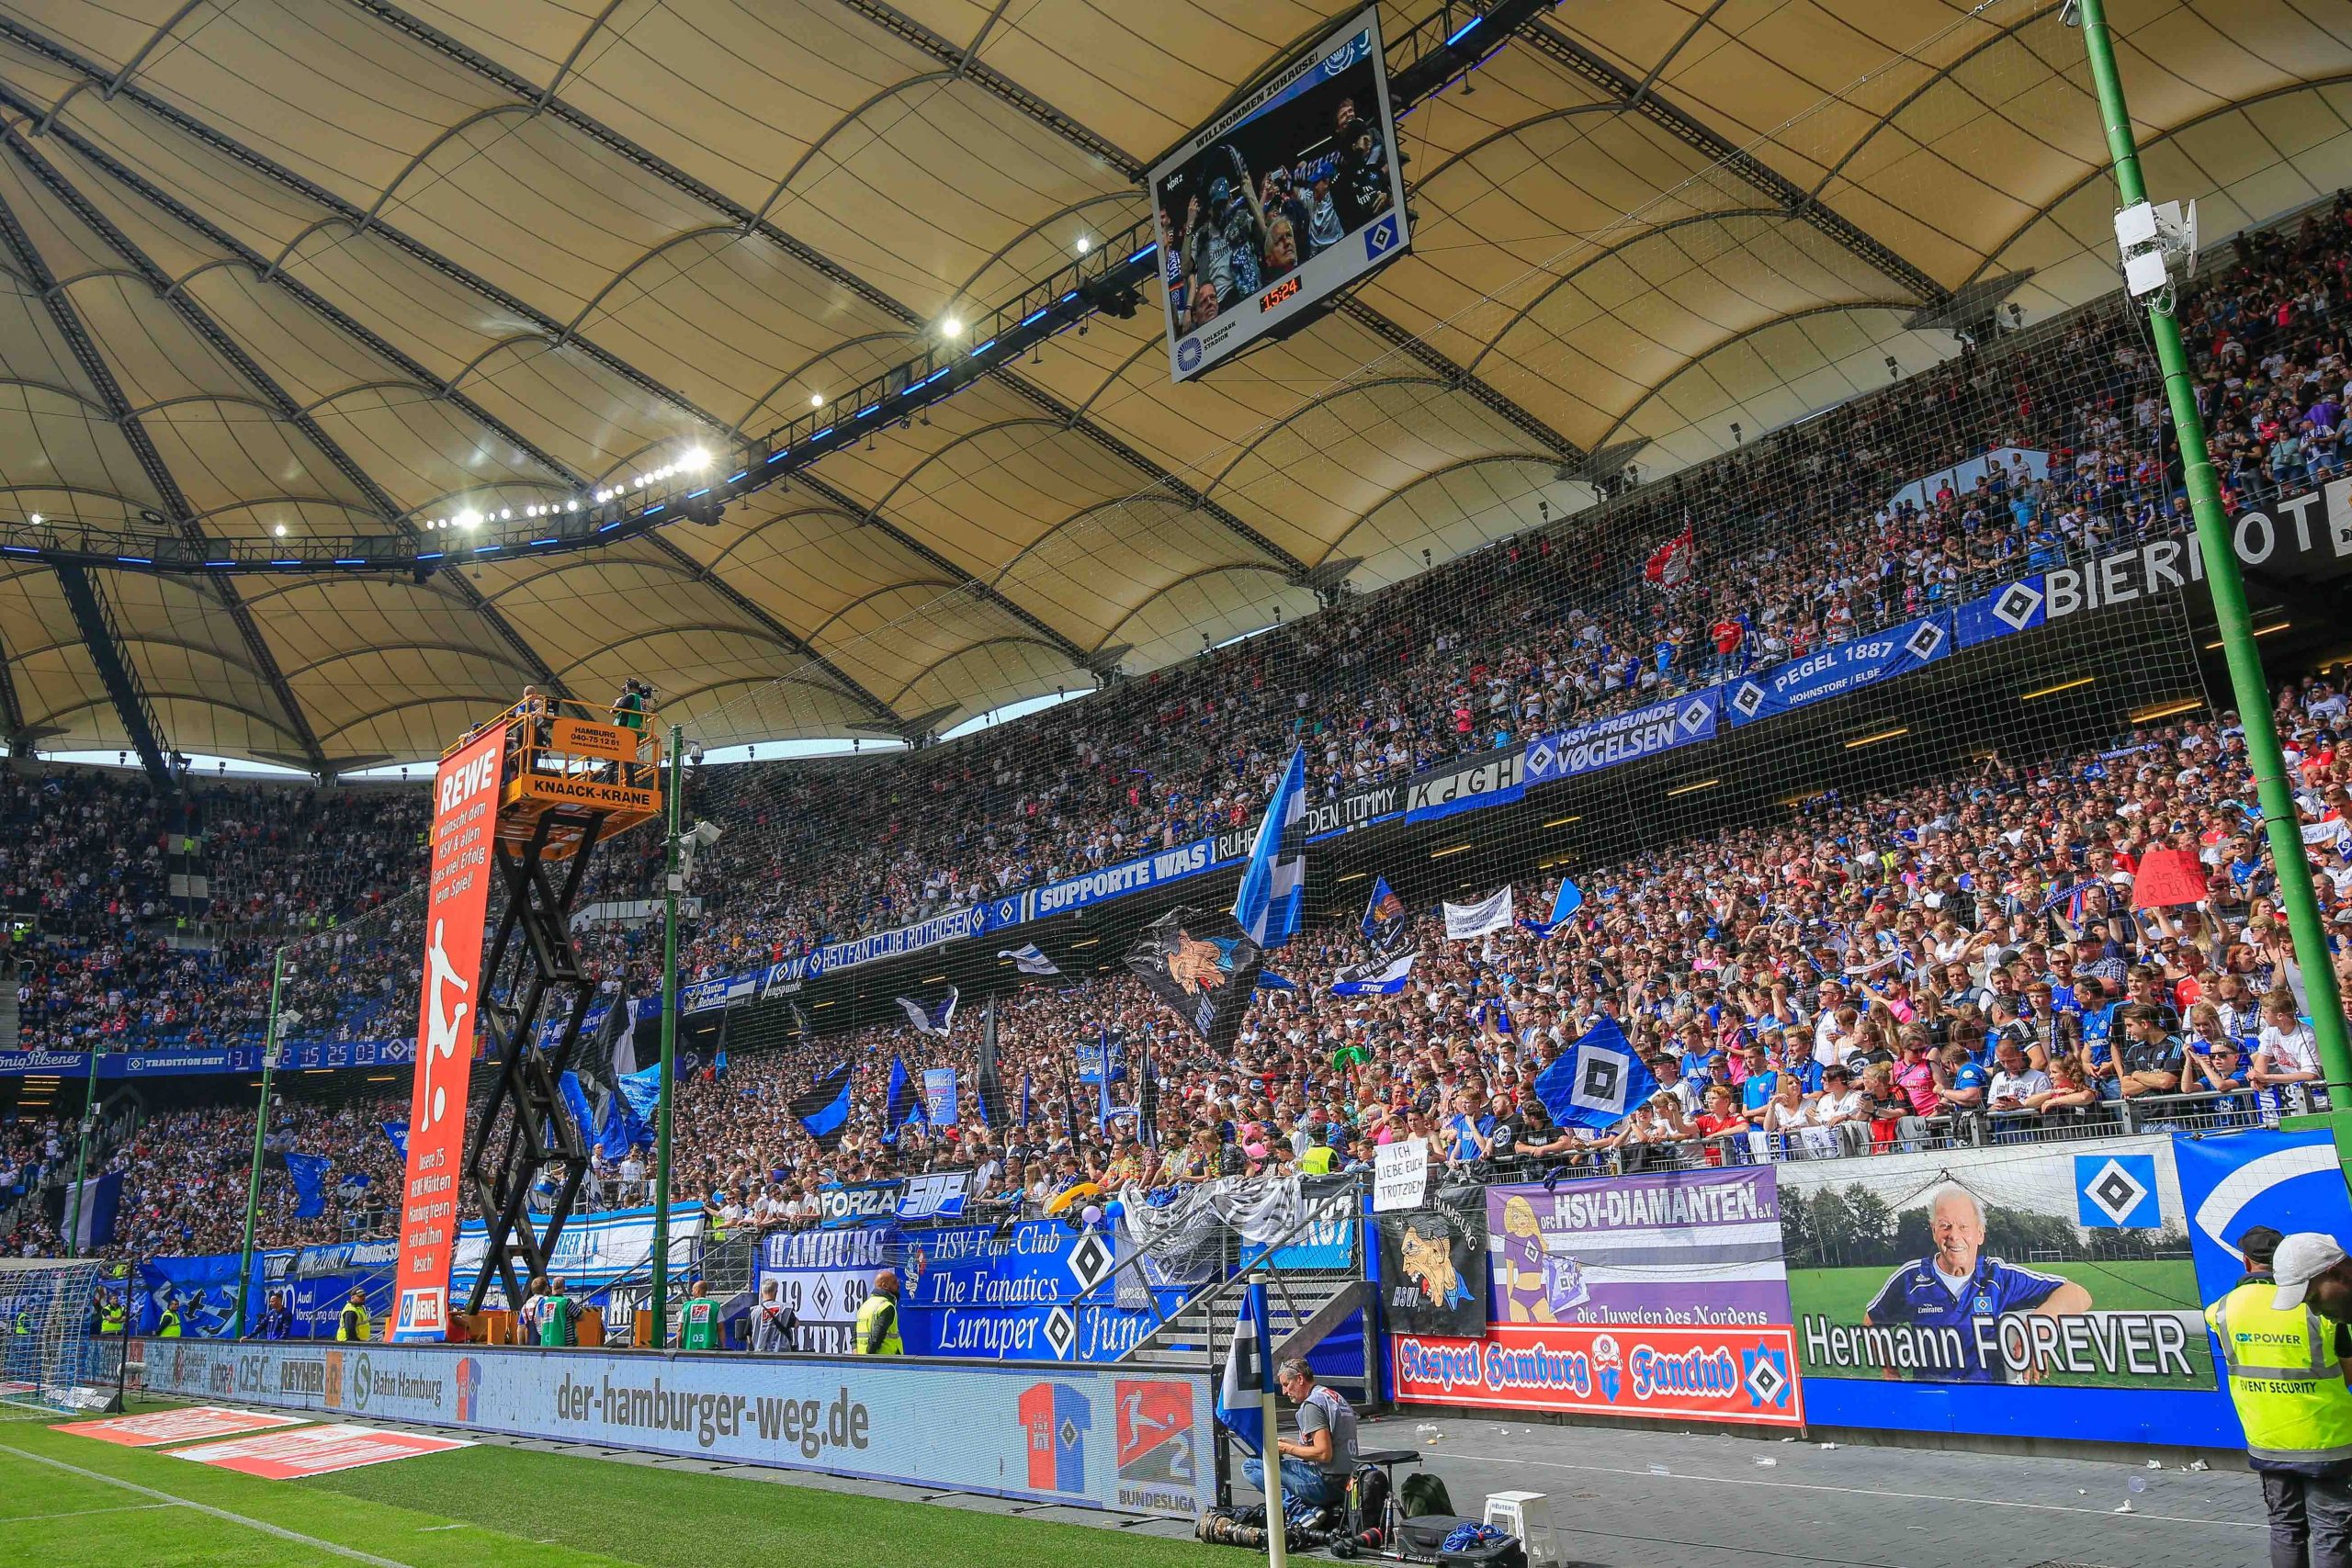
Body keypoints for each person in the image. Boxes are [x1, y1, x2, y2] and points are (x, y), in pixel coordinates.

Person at [2212, 1229, 2352, 1568]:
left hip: (2269, 1442)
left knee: (2286, 1528)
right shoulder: (2328, 1317)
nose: (2316, 1310)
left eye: (2315, 1298)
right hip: (2327, 1442)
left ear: (2338, 1274)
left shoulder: (2222, 1310)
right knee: (2331, 1533)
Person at [1861, 1184, 2089, 1382]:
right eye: (1945, 1226)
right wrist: (1890, 1371)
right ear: (1934, 1232)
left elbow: (2078, 1294)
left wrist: (2041, 1322)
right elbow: (1872, 1322)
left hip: (1988, 1404)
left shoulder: (1998, 1277)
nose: (1954, 1235)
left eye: (1963, 1226)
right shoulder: (1911, 1278)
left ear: (1980, 1233)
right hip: (1935, 1404)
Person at [1243, 1358, 1359, 1510]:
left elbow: (1324, 1454)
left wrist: (1286, 1449)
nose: (1284, 1392)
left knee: (1250, 1466)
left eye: (1286, 1385)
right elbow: (1329, 1445)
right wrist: (1289, 1443)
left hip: (1327, 1483)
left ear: (1300, 1379)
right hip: (1348, 1478)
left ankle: (1299, 1511)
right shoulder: (1332, 1396)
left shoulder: (1312, 1405)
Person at [853, 1269, 903, 1356]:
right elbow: (876, 1339)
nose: (898, 1286)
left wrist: (858, 1357)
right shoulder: (886, 1306)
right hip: (885, 1361)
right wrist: (868, 1359)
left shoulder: (864, 1306)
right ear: (884, 1286)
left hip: (863, 1362)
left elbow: (854, 1337)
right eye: (894, 1282)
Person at [749, 1280, 797, 1353]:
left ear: (761, 1293)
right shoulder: (784, 1309)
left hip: (760, 1354)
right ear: (776, 1292)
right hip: (782, 1353)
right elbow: (796, 1324)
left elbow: (748, 1334)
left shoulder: (754, 1311)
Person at [678, 1278, 722, 1351]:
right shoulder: (715, 1306)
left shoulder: (686, 1306)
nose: (692, 1292)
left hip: (689, 1348)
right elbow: (721, 1329)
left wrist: (678, 1348)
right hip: (710, 1348)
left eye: (693, 1290)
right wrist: (723, 1347)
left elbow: (680, 1329)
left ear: (697, 1291)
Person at [537, 1277, 577, 1348]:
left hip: (546, 1342)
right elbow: (580, 1316)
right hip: (566, 1343)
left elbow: (541, 1322)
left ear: (552, 1287)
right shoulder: (566, 1302)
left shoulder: (545, 1302)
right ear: (564, 1288)